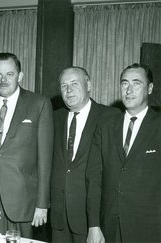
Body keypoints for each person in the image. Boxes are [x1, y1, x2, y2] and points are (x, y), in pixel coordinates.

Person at [0, 52, 53, 238]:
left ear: (20, 76)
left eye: (9, 74)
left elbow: (45, 161)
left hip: (21, 201)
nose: (3, 79)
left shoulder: (39, 104)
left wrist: (42, 204)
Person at [86, 63, 161, 243]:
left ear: (150, 88)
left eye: (136, 83)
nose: (129, 90)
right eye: (124, 83)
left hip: (150, 229)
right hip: (109, 227)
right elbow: (94, 178)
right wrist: (94, 225)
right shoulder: (105, 125)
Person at [50, 67, 118, 243]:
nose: (68, 90)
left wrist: (97, 223)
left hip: (92, 220)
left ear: (88, 84)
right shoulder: (53, 117)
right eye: (63, 85)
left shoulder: (110, 117)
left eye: (74, 83)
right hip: (59, 217)